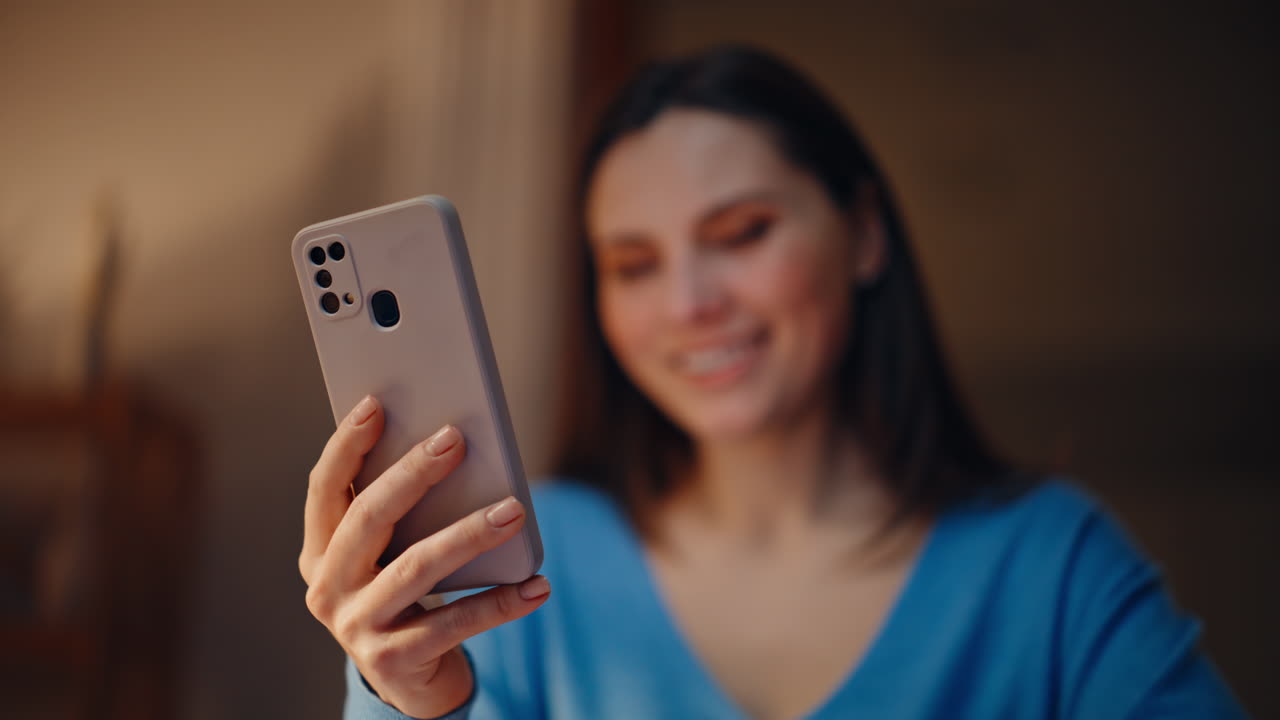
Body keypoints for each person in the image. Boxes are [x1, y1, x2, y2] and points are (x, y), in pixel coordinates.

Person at [299, 46, 1247, 719]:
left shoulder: (1052, 566)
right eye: (633, 264)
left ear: (865, 234)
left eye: (742, 233)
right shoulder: (515, 565)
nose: (689, 304)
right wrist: (407, 705)